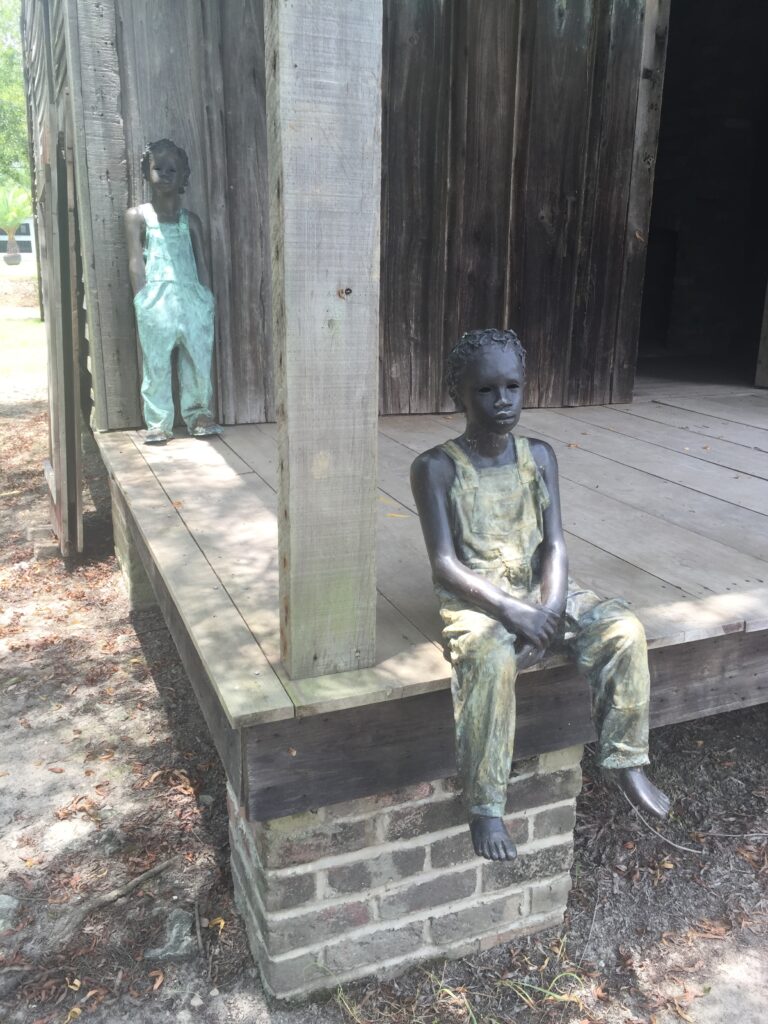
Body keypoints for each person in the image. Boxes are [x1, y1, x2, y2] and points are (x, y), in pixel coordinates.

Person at [410, 328, 670, 862]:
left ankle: (627, 761)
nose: (502, 401)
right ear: (457, 392)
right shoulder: (435, 467)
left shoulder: (540, 456)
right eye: (485, 390)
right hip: (480, 597)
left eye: (512, 387)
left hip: (542, 590)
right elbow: (444, 563)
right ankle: (485, 804)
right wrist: (510, 612)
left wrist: (548, 610)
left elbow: (554, 544)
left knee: (622, 627)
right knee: (487, 659)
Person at [125, 139, 222, 444]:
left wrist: (206, 297)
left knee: (198, 358)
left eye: (172, 169)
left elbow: (202, 261)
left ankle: (199, 413)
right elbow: (134, 261)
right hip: (155, 298)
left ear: (183, 176)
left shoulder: (190, 221)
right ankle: (158, 421)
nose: (165, 174)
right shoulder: (137, 217)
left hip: (193, 298)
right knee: (155, 361)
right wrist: (142, 297)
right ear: (146, 170)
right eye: (158, 168)